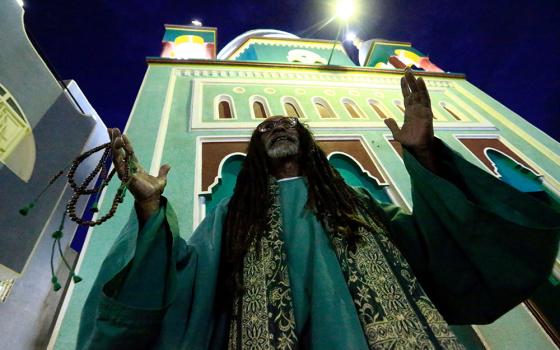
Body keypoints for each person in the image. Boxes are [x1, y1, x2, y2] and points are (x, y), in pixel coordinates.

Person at [78, 69, 560, 349]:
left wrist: (426, 156)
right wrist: (150, 206)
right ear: (253, 151)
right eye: (265, 128)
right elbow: (183, 278)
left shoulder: (358, 206)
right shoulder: (232, 217)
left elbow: (441, 250)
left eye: (287, 123)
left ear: (307, 141)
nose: (277, 128)